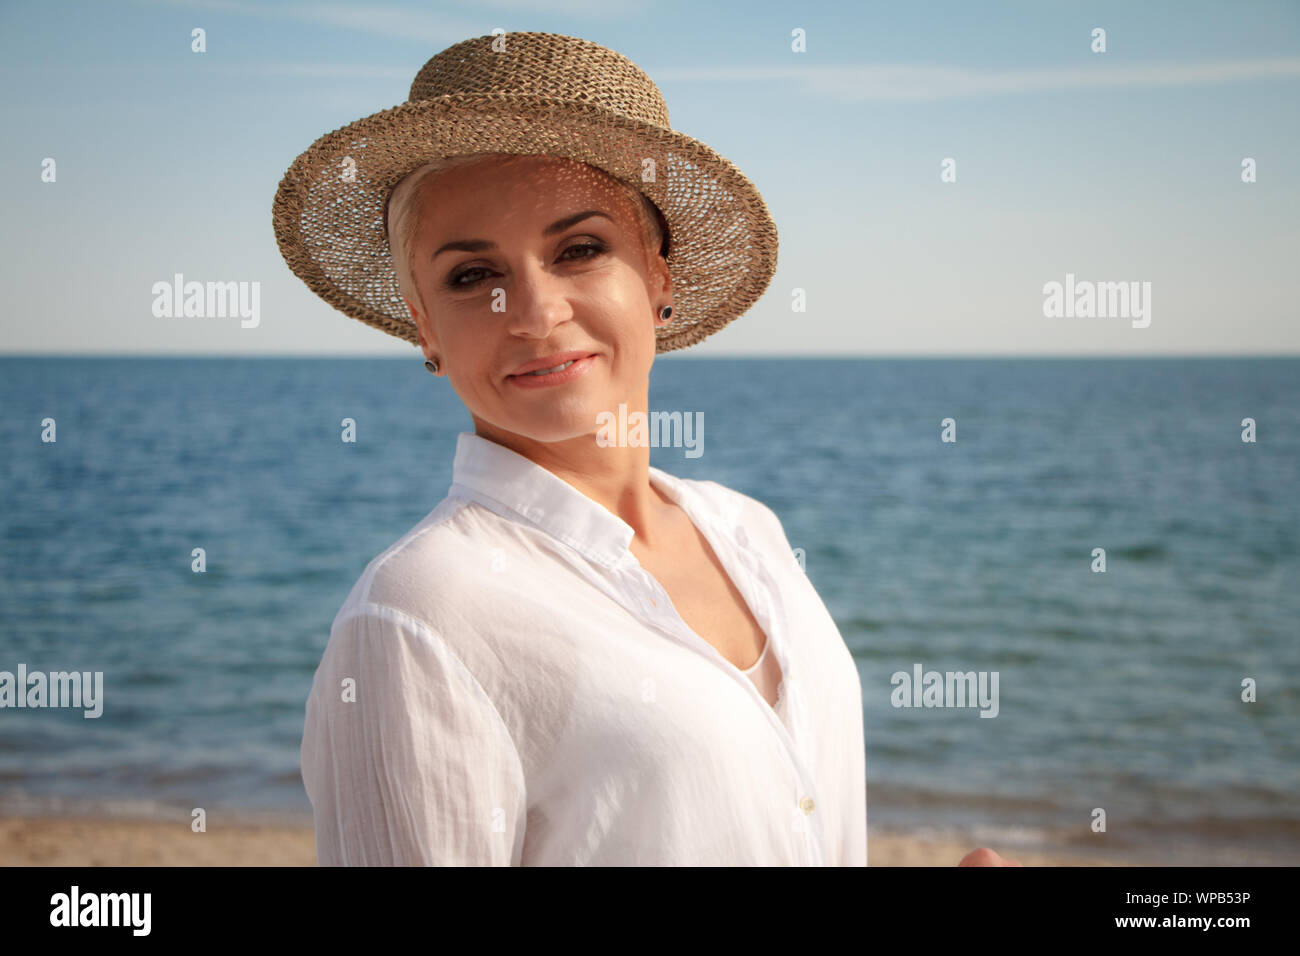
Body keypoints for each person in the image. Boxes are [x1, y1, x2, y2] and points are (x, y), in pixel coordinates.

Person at [274, 31, 1018, 867]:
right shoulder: (417, 614)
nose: (532, 311)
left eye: (579, 250)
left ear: (660, 276)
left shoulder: (749, 532)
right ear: (425, 327)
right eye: (470, 276)